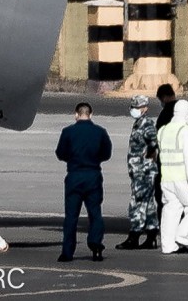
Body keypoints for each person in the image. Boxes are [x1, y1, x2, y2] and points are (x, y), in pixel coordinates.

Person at [56, 102, 113, 262]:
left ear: (76, 114)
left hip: (75, 175)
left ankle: (67, 252)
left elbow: (60, 153)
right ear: (90, 114)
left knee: (71, 216)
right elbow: (107, 153)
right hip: (93, 175)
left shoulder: (68, 132)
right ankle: (95, 244)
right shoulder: (100, 132)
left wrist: (73, 158)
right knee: (95, 213)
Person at [157, 99, 188, 254]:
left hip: (166, 178)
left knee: (171, 208)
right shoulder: (187, 131)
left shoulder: (162, 130)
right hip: (182, 178)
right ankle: (183, 237)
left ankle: (167, 245)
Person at [116, 95, 159, 250]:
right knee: (148, 205)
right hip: (141, 171)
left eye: (137, 108)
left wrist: (147, 160)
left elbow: (153, 144)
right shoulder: (140, 123)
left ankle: (134, 236)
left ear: (145, 108)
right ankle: (152, 235)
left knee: (137, 203)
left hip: (143, 172)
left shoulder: (146, 124)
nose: (134, 110)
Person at [153, 83, 178, 219]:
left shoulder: (167, 113)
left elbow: (159, 136)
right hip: (179, 164)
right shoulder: (183, 112)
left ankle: (165, 221)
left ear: (164, 97)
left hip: (166, 161)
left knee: (162, 194)